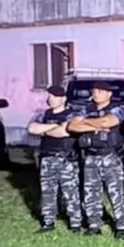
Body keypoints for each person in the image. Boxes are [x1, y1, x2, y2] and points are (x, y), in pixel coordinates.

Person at [67, 81, 124, 238]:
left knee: (115, 193)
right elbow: (72, 126)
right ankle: (94, 225)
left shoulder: (117, 109)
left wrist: (87, 122)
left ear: (109, 94)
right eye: (94, 91)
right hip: (91, 156)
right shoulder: (86, 109)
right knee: (91, 193)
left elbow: (108, 122)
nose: (96, 94)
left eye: (100, 91)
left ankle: (121, 226)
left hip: (110, 156)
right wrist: (95, 125)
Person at [27, 85, 82, 233]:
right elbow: (32, 128)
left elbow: (64, 132)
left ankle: (75, 223)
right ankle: (48, 222)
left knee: (70, 192)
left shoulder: (72, 115)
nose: (50, 99)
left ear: (63, 99)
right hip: (47, 158)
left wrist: (44, 130)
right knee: (48, 192)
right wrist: (53, 127)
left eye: (54, 96)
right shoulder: (44, 114)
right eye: (49, 95)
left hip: (66, 158)